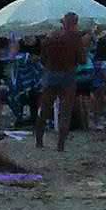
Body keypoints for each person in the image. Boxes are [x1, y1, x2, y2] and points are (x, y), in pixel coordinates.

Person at [39, 13, 87, 153]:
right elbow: (82, 60)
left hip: (51, 73)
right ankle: (60, 145)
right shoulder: (75, 38)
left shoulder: (51, 37)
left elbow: (43, 59)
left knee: (45, 108)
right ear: (75, 23)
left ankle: (39, 141)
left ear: (63, 23)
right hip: (68, 74)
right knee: (65, 111)